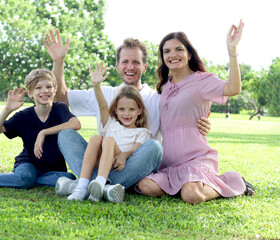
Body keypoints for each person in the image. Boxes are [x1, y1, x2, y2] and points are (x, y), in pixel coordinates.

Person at [43, 30, 211, 202]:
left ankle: (84, 185)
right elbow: (61, 97)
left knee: (154, 147)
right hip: (102, 161)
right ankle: (104, 187)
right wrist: (58, 61)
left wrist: (202, 122)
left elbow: (183, 112)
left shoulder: (158, 99)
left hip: (133, 165)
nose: (130, 67)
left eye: (136, 62)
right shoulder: (105, 92)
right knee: (66, 135)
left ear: (144, 67)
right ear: (117, 66)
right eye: (125, 62)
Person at [137, 20, 255, 204]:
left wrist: (232, 50)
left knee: (191, 195)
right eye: (166, 51)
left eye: (178, 49)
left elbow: (233, 88)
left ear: (189, 53)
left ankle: (232, 180)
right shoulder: (165, 86)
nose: (172, 55)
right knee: (146, 186)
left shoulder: (202, 80)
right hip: (169, 163)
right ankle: (185, 185)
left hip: (196, 158)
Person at [0, 69, 81, 190]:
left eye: (49, 87)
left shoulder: (60, 108)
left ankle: (6, 178)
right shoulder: (24, 116)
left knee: (68, 177)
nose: (45, 91)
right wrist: (7, 110)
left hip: (53, 169)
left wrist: (43, 132)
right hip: (28, 164)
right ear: (30, 94)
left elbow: (76, 124)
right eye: (38, 88)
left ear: (54, 90)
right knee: (26, 178)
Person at [67, 63, 152, 203]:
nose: (126, 114)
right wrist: (96, 85)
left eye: (131, 109)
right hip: (101, 163)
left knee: (108, 140)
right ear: (116, 110)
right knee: (95, 138)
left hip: (120, 166)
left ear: (139, 110)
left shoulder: (142, 132)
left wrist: (123, 156)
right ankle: (82, 186)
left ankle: (100, 184)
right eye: (122, 109)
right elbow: (102, 105)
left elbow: (134, 151)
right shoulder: (111, 124)